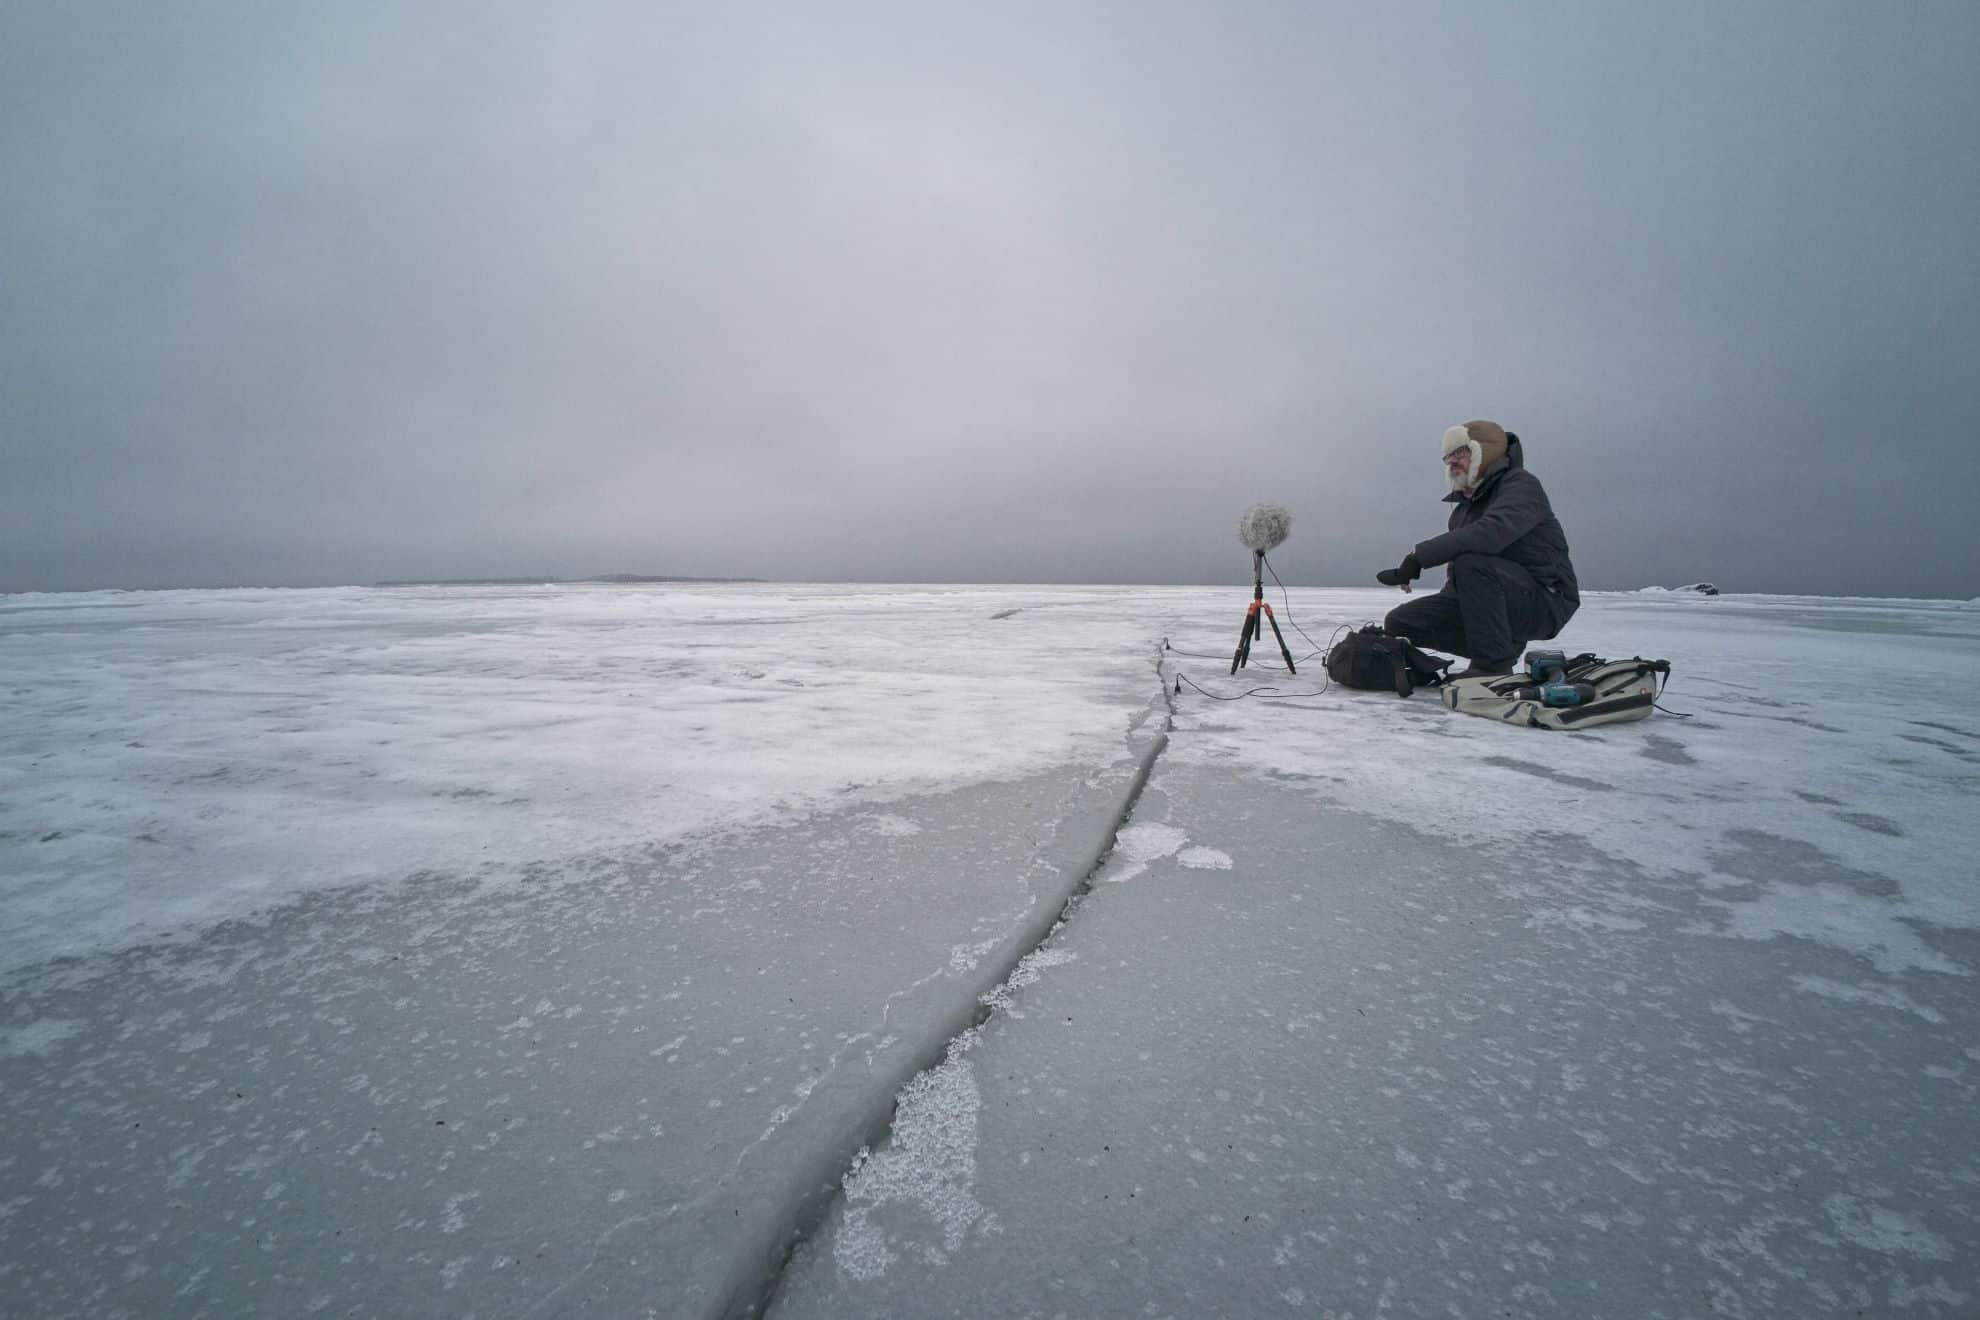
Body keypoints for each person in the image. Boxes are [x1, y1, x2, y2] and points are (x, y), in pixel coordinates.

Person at [1375, 420, 1579, 675]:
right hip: (1497, 599)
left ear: (1485, 451)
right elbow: (1460, 581)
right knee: (1401, 622)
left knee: (1472, 563)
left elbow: (1490, 534)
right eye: (1448, 456)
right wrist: (1438, 611)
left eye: (1460, 453)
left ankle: (1493, 665)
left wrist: (1418, 558)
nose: (1452, 462)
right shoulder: (1462, 512)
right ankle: (1492, 648)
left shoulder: (1521, 486)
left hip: (1546, 600)